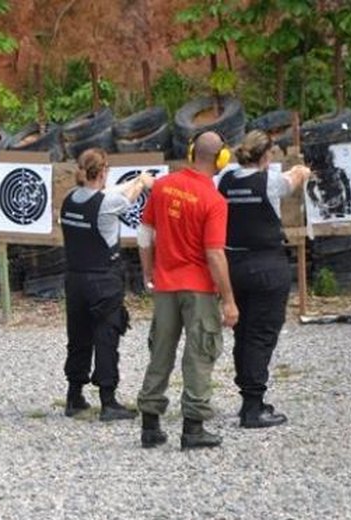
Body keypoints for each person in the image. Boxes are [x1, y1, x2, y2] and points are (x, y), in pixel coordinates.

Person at [136, 131, 239, 450]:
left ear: (192, 152)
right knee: (199, 355)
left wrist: (148, 272)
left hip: (165, 286)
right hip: (198, 291)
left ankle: (150, 427)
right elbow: (214, 254)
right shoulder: (214, 201)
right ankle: (193, 429)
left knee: (160, 353)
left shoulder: (163, 186)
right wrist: (230, 301)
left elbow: (144, 234)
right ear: (221, 159)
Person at [217, 130, 311, 428]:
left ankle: (248, 397)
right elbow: (294, 179)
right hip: (266, 264)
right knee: (262, 334)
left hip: (233, 264)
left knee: (243, 333)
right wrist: (302, 169)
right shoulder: (270, 181)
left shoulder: (225, 180)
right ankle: (253, 407)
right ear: (266, 156)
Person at [60, 148, 154, 421]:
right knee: (106, 338)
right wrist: (141, 182)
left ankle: (74, 395)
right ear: (102, 172)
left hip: (75, 279)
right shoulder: (108, 203)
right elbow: (126, 197)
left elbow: (108, 191)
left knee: (78, 338)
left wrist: (136, 178)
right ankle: (108, 400)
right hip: (102, 280)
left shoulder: (70, 199)